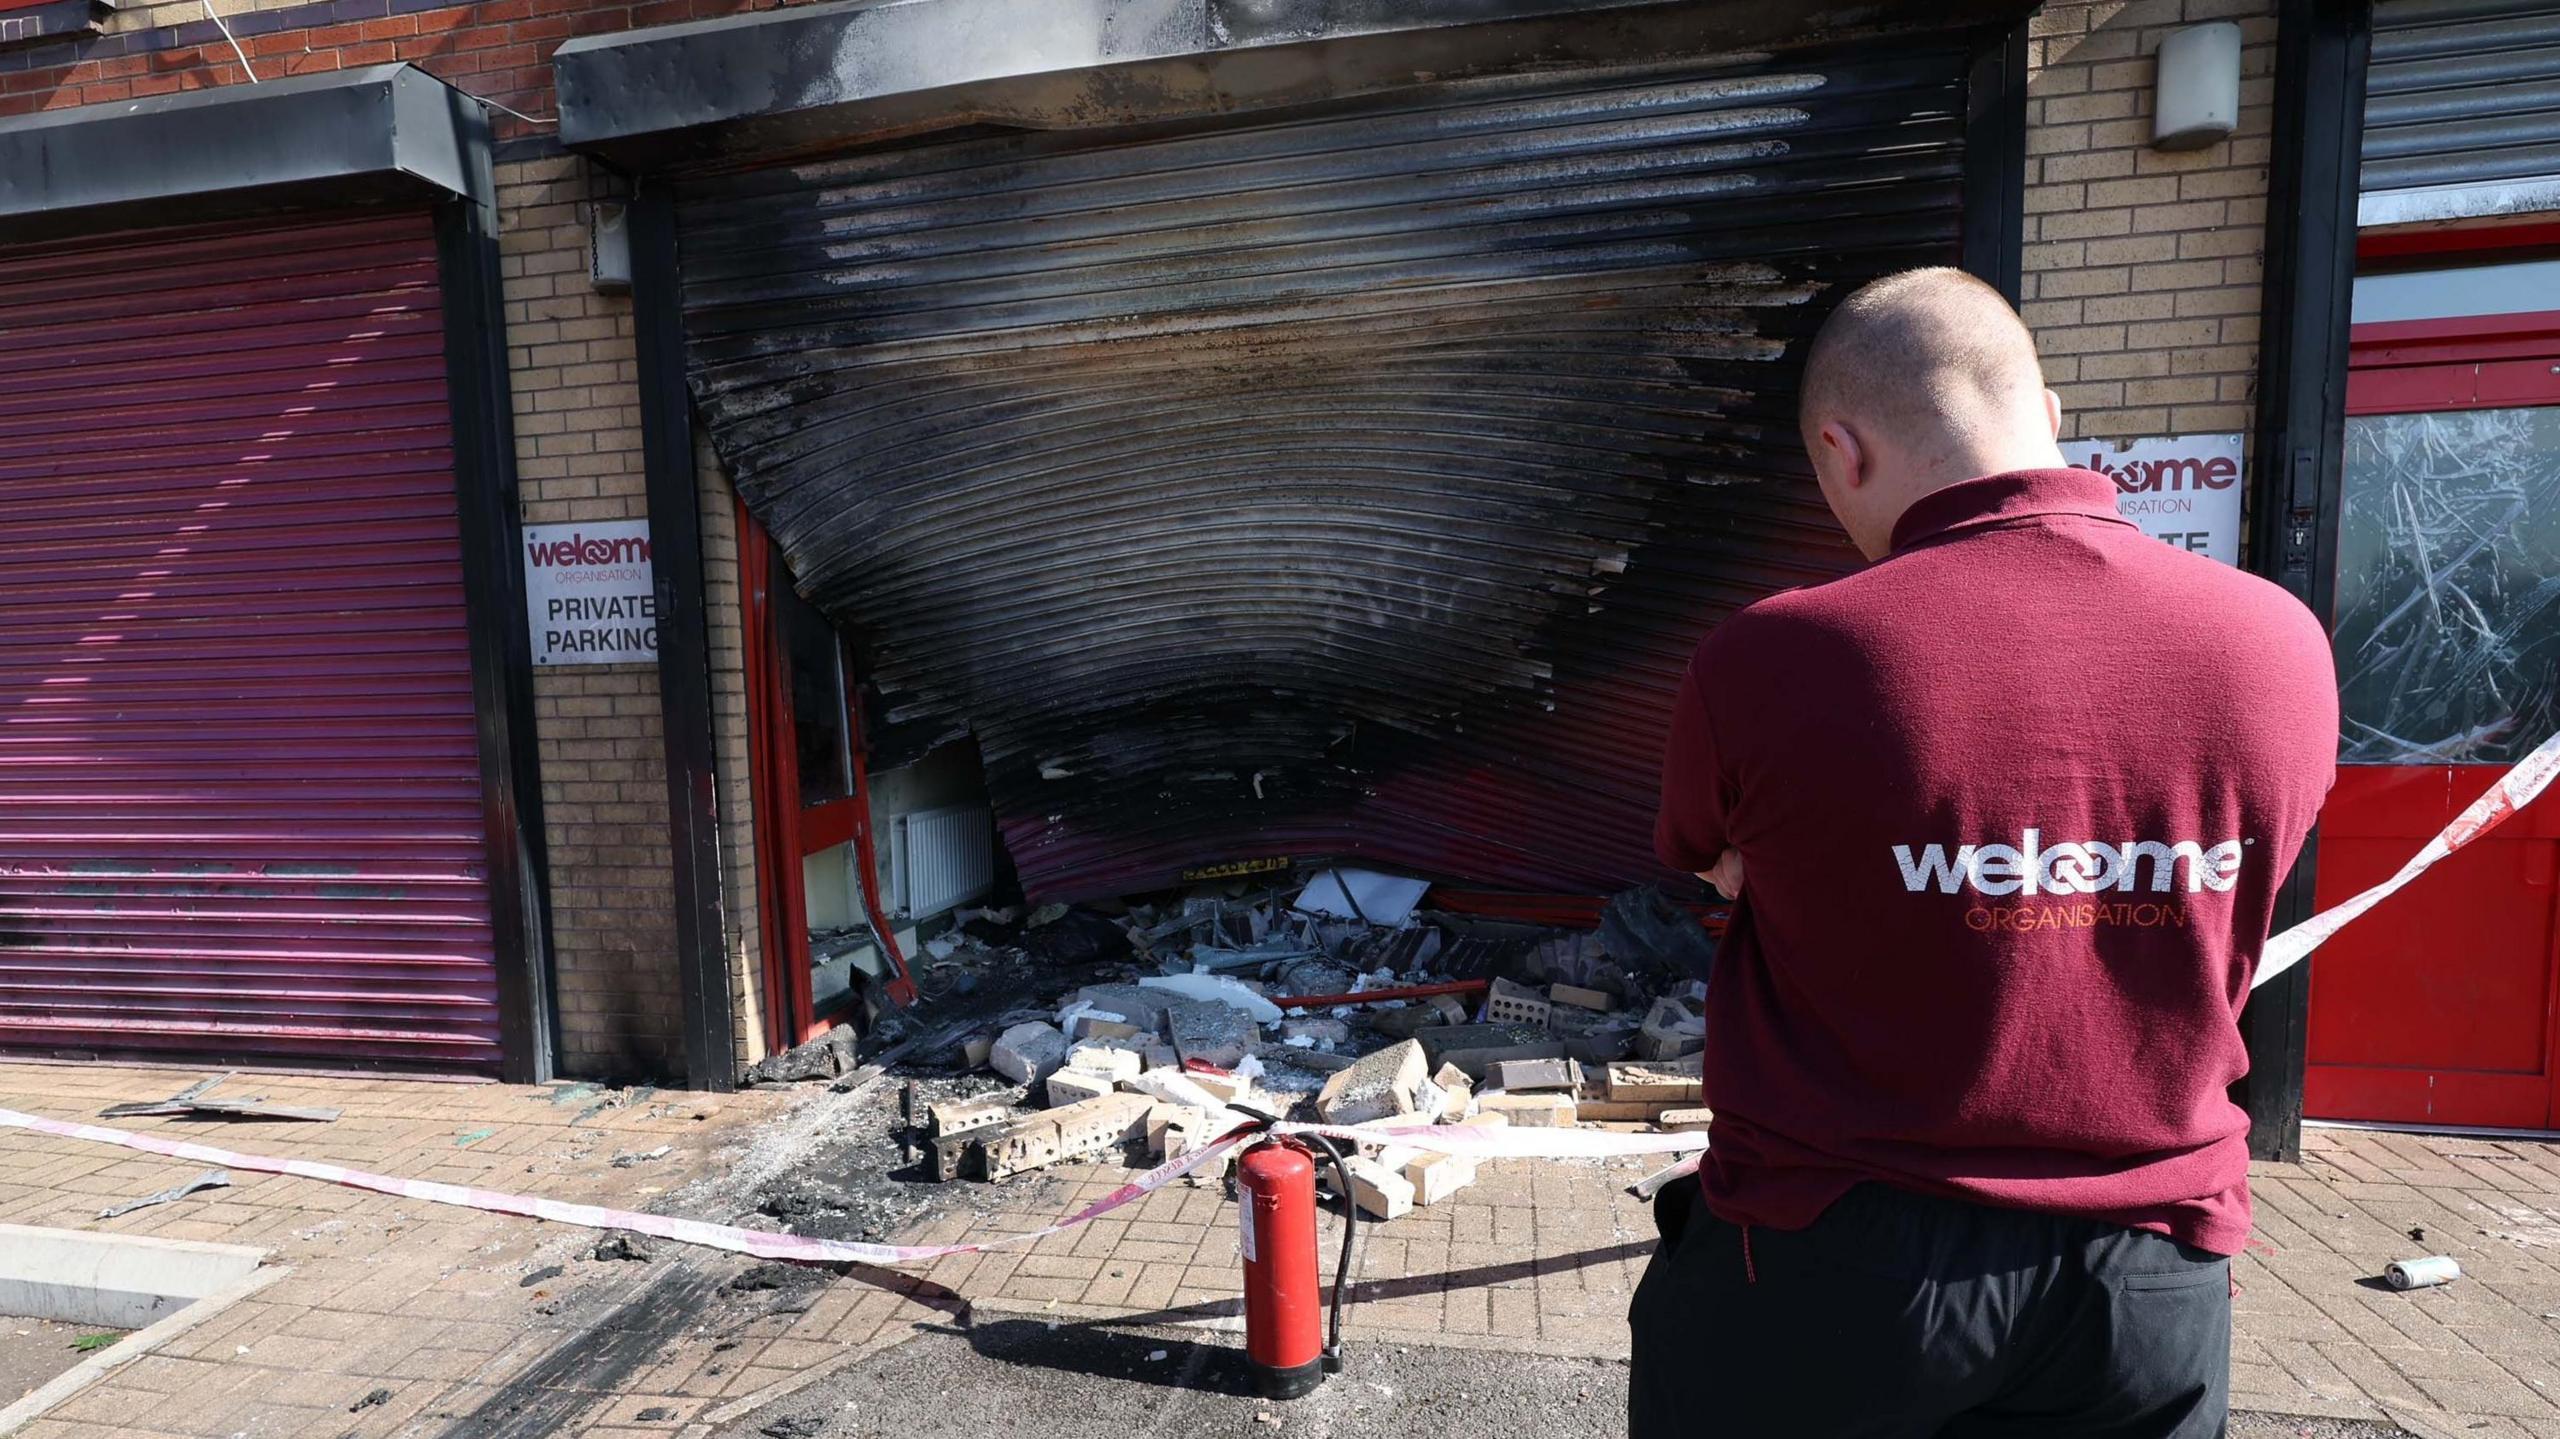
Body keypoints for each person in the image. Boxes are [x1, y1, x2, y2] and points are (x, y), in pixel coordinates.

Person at [1632, 267, 2337, 1439]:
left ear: (1838, 451)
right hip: (2148, 1268)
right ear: (2048, 415)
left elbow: (1701, 852)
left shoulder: (1769, 657)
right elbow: (2246, 877)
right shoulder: (2278, 643)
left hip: (1832, 1254)